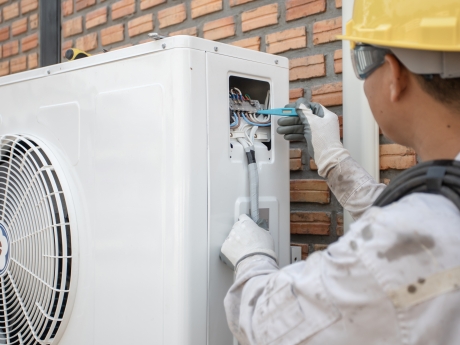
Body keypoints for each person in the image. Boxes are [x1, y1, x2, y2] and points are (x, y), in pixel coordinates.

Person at [220, 0, 460, 343]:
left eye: (361, 62)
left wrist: (252, 256)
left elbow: (267, 326)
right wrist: (334, 159)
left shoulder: (404, 241)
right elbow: (418, 212)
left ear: (394, 74)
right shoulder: (438, 210)